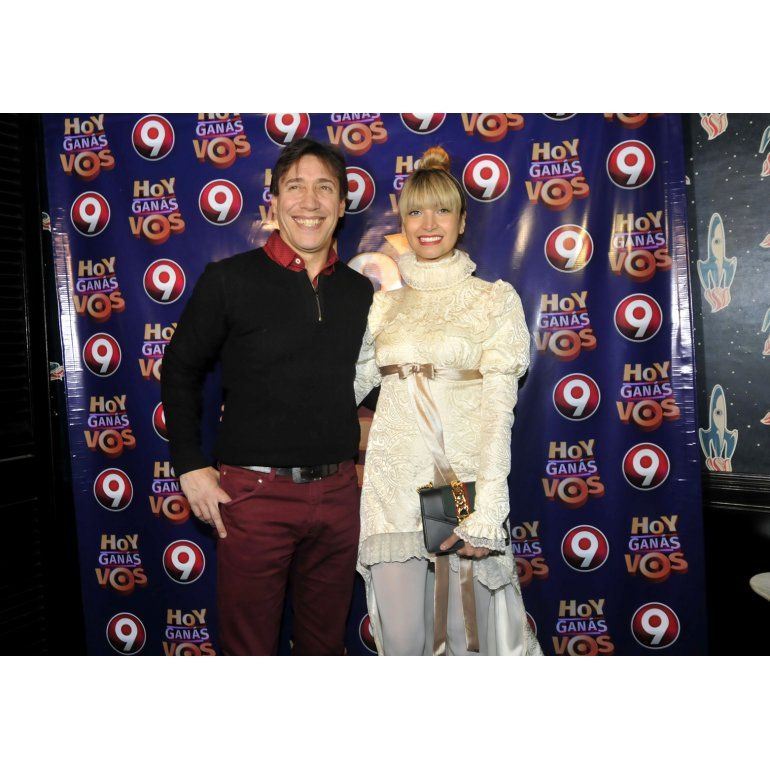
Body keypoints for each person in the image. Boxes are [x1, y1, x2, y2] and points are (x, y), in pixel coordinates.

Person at [161, 138, 374, 655]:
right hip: (253, 497)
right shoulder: (229, 280)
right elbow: (180, 368)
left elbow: (378, 388)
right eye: (295, 187)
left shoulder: (359, 292)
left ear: (342, 205)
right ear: (274, 203)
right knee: (249, 650)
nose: (310, 201)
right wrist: (190, 465)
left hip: (339, 496)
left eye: (325, 188)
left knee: (325, 647)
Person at [353, 147, 543, 655]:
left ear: (462, 222)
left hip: (459, 488)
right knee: (403, 642)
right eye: (415, 211)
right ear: (402, 224)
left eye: (442, 210)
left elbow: (499, 412)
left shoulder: (494, 299)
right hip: (391, 493)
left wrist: (489, 511)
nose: (429, 223)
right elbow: (341, 387)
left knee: (467, 640)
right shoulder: (382, 305)